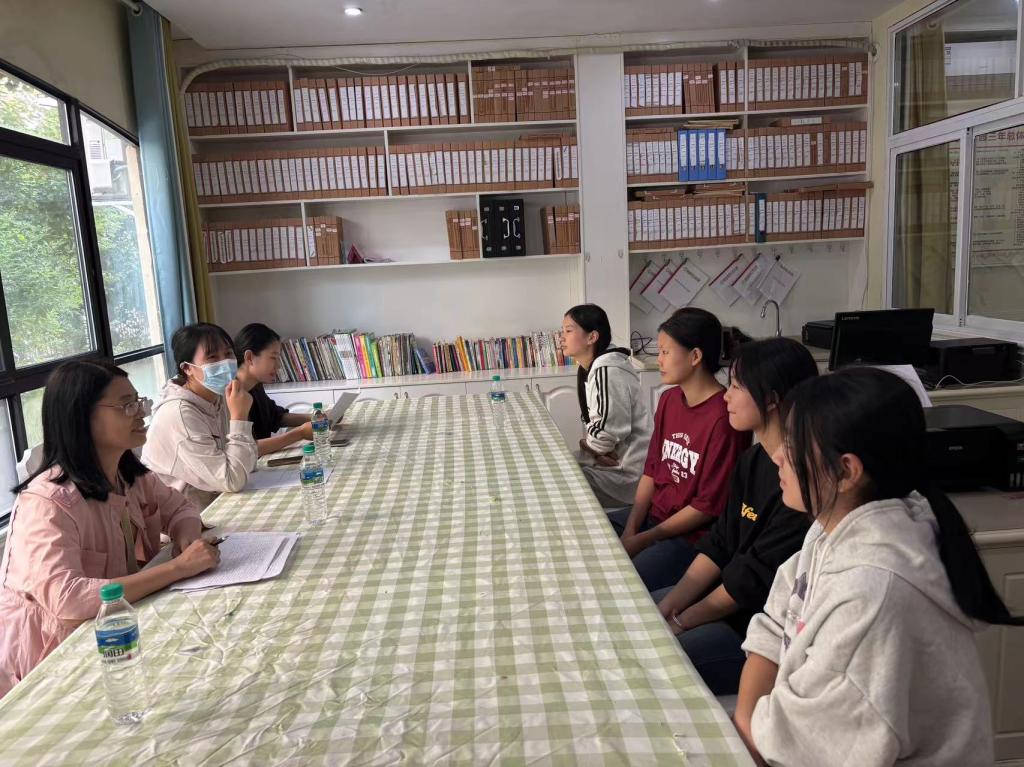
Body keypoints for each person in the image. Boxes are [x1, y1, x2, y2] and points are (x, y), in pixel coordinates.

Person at [735, 368, 1023, 766]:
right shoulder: (831, 527)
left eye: (792, 445)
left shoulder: (872, 594)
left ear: (846, 471)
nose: (778, 456)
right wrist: (748, 719)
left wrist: (750, 722)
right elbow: (773, 625)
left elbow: (799, 744)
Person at [0, 360, 221, 698]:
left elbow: (181, 508)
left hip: (118, 631)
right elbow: (68, 599)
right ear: (82, 417)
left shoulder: (128, 475)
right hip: (53, 659)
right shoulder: (47, 502)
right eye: (126, 405)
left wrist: (186, 539)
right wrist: (178, 568)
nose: (141, 413)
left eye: (139, 401)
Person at [652, 338, 816, 695]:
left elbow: (750, 581)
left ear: (771, 399)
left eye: (737, 387)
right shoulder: (752, 461)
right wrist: (671, 604)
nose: (726, 396)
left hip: (753, 630)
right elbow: (721, 542)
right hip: (724, 602)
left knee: (651, 661)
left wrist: (681, 620)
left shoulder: (802, 485)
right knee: (643, 611)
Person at [608, 308, 750, 592]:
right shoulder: (670, 399)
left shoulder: (725, 417)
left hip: (690, 537)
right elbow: (652, 471)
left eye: (665, 352)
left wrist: (643, 539)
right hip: (653, 518)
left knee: (621, 583)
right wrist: (632, 528)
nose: (658, 360)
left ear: (695, 356)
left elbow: (707, 507)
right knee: (588, 538)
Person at [142, 323, 258, 510]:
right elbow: (232, 480)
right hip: (181, 515)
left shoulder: (218, 397)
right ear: (187, 368)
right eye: (212, 357)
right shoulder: (180, 414)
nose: (224, 363)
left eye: (228, 354)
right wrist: (239, 418)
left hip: (215, 498)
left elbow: (247, 462)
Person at [560, 304, 651, 508]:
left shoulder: (608, 371)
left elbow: (604, 438)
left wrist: (590, 445)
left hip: (625, 474)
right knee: (557, 466)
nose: (561, 338)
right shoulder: (592, 367)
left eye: (568, 331)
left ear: (592, 337)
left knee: (557, 482)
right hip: (609, 462)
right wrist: (591, 445)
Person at [233, 323, 314, 456]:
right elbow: (248, 449)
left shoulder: (256, 386)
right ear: (249, 357)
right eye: (273, 358)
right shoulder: (230, 396)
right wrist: (300, 433)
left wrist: (316, 417)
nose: (279, 365)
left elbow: (277, 417)